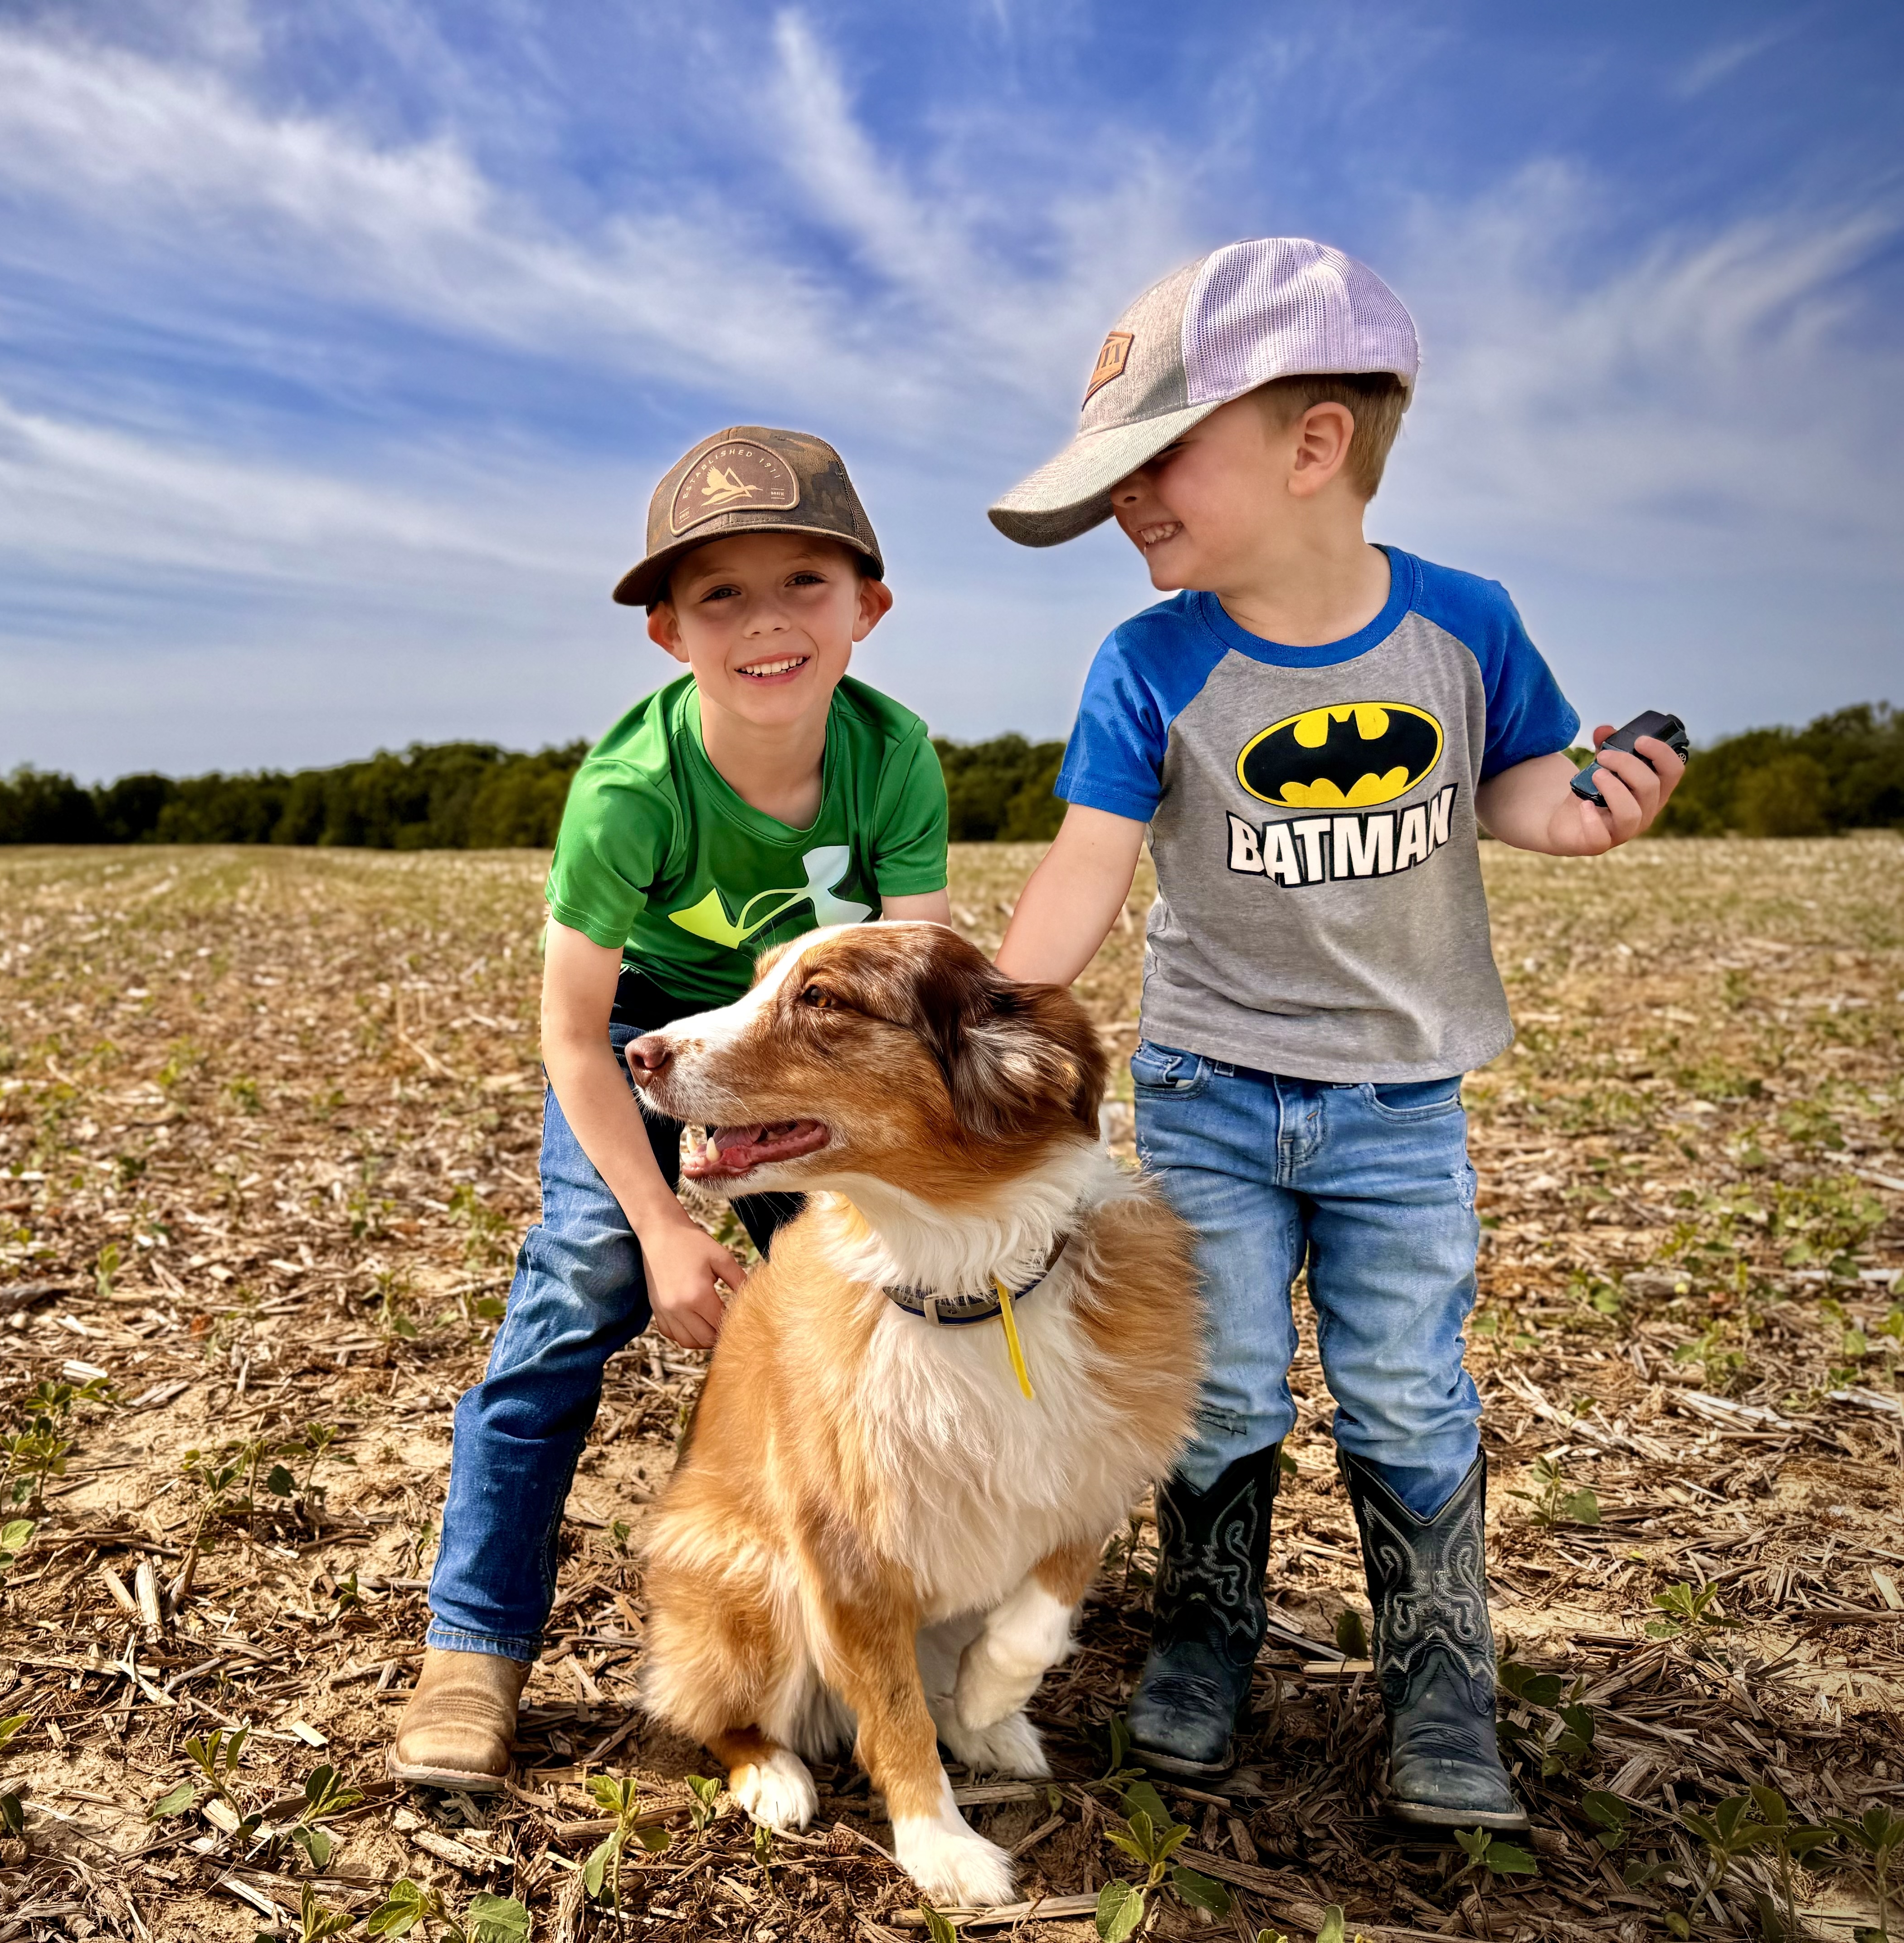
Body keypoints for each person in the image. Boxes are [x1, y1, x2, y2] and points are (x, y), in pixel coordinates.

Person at [985, 239, 1682, 1831]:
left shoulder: (1463, 623)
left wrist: (1576, 818)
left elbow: (1509, 777)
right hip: (1213, 1090)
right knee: (1223, 1387)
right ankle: (1208, 1635)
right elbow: (1090, 863)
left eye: (1158, 460)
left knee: (1408, 1391)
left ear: (1315, 447)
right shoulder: (1150, 664)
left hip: (1399, 1102)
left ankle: (1440, 1674)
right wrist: (994, 1016)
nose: (1127, 505)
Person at [389, 426, 954, 1790]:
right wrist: (657, 1221)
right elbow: (573, 1035)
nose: (767, 621)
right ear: (666, 630)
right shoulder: (633, 790)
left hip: (805, 1057)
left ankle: (899, 1613)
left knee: (887, 1311)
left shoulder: (895, 761)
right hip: (647, 1046)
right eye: (721, 594)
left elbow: (910, 996)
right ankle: (475, 1644)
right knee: (572, 1290)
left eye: (805, 582)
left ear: (869, 606)